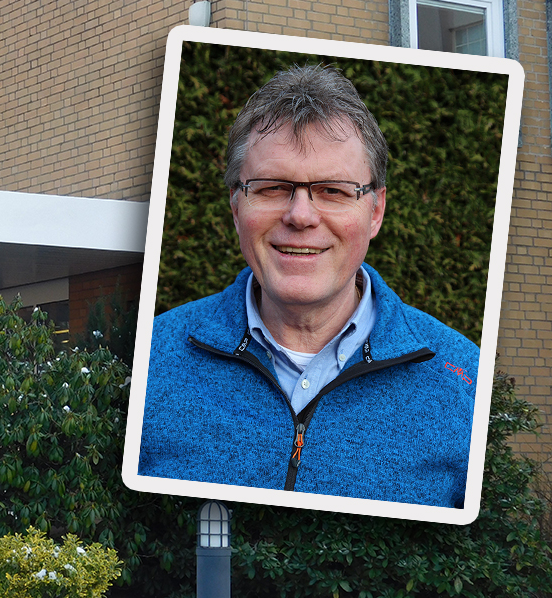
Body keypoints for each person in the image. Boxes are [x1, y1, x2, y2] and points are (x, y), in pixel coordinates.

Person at [138, 65, 478, 508]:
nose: (300, 215)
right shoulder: (145, 363)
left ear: (375, 211)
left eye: (334, 191)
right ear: (236, 207)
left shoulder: (464, 381)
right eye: (272, 187)